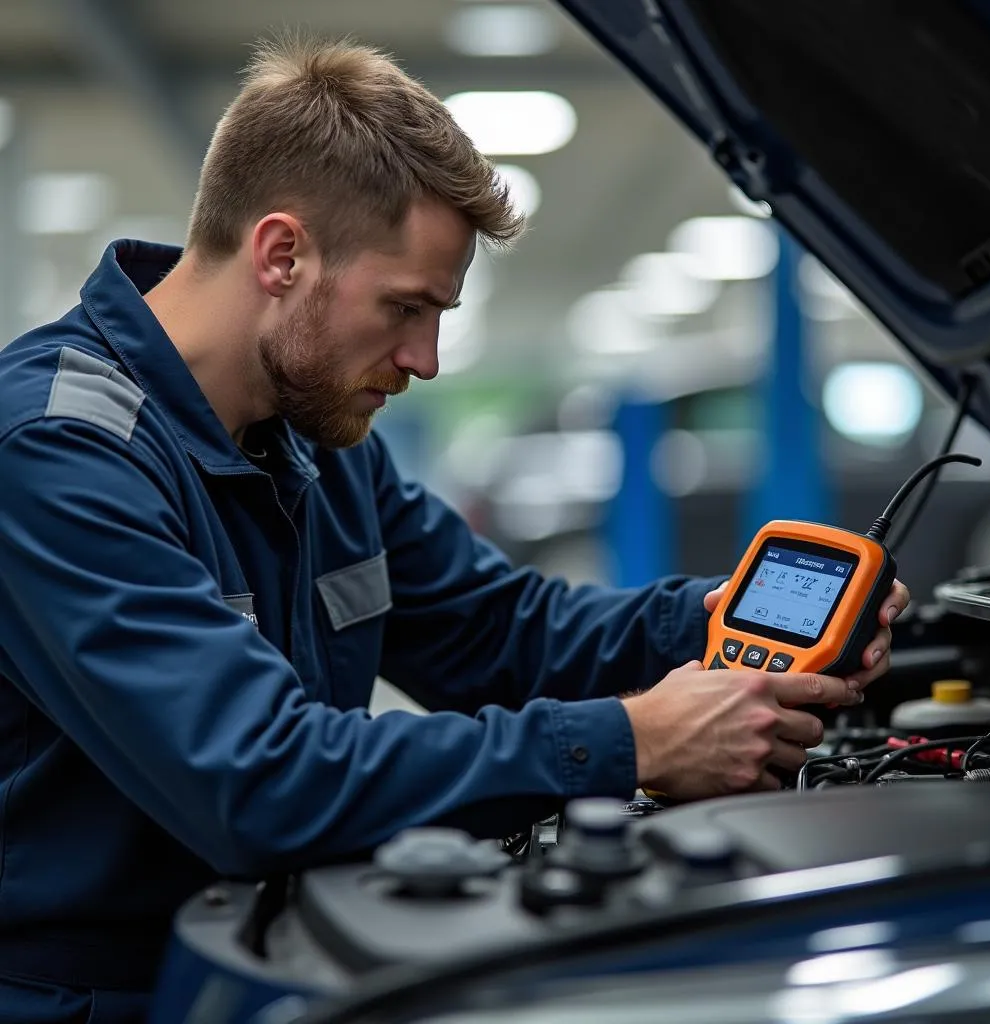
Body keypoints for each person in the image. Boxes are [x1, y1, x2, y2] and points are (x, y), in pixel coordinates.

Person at [0, 35, 909, 1024]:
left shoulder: (319, 441)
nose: (425, 357)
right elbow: (260, 780)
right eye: (406, 307)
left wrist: (714, 623)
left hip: (262, 949)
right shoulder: (56, 452)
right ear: (280, 254)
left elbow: (498, 630)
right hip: (85, 998)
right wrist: (626, 742)